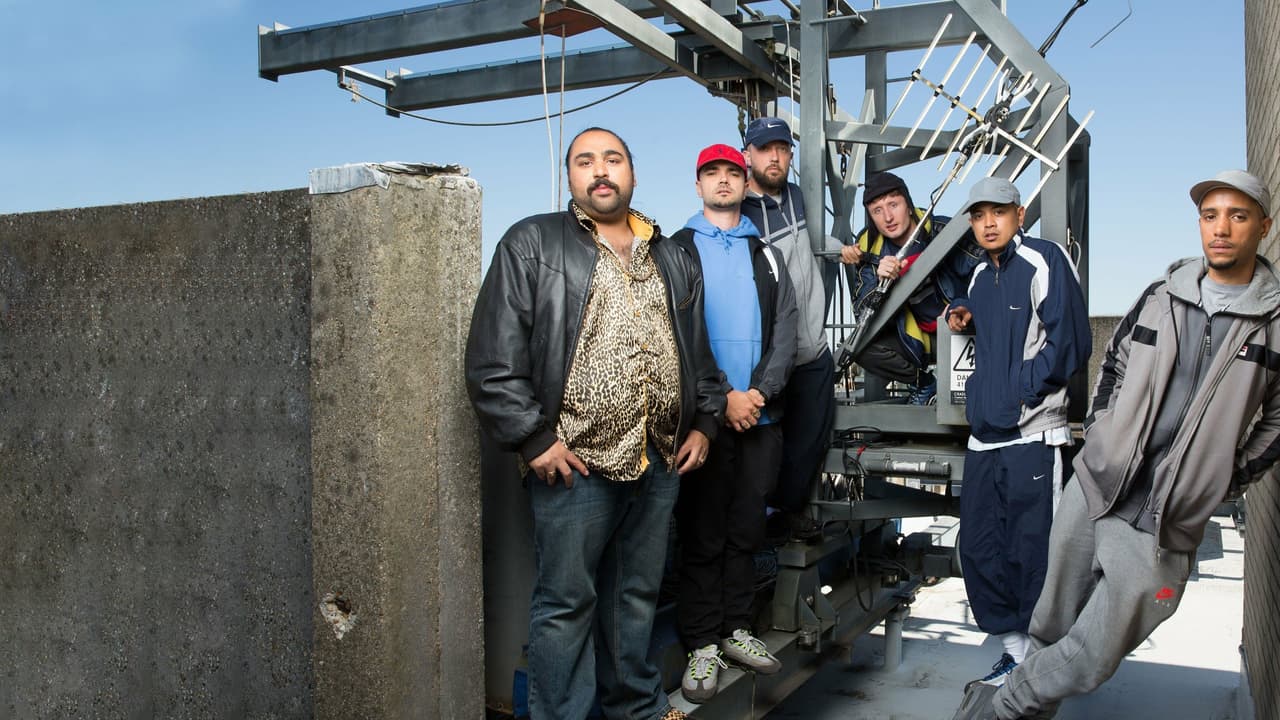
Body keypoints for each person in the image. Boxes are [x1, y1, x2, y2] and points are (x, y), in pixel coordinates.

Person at [954, 169, 1280, 720]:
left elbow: (1276, 422)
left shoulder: (1272, 323)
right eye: (1210, 216)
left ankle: (1001, 706)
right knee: (1049, 622)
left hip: (1166, 514)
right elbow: (1113, 364)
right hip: (1100, 482)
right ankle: (1021, 705)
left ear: (1263, 227)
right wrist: (1102, 434)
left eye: (1237, 217)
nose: (1221, 229)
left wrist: (1224, 478)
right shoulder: (1161, 296)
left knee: (1094, 654)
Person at [464, 127, 725, 720]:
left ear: (632, 173)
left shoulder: (671, 256)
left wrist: (706, 423)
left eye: (613, 159)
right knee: (565, 605)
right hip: (573, 464)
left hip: (658, 458)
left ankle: (636, 707)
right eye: (585, 161)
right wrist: (533, 439)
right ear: (570, 177)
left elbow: (698, 354)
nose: (600, 170)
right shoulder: (532, 242)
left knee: (635, 597)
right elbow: (491, 359)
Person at [943, 177, 1091, 700]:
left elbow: (1071, 342)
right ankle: (1013, 650)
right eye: (979, 214)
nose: (988, 223)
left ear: (1019, 214)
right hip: (985, 437)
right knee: (981, 547)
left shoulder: (1043, 259)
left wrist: (1021, 391)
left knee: (1033, 551)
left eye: (999, 212)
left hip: (1033, 433)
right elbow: (986, 314)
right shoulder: (979, 274)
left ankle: (1038, 656)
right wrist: (962, 308)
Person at [669, 144, 799, 702]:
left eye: (732, 173)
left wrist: (759, 393)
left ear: (746, 184)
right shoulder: (676, 251)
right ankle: (701, 642)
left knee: (746, 529)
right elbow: (678, 335)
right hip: (704, 419)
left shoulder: (765, 253)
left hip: (760, 417)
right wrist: (724, 398)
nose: (723, 181)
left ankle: (735, 628)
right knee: (702, 531)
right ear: (698, 184)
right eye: (712, 173)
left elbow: (787, 330)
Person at [740, 116, 859, 541]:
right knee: (765, 444)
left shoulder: (796, 196)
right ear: (748, 155)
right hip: (772, 355)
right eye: (765, 149)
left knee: (809, 439)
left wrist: (840, 249)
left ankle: (787, 515)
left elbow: (811, 241)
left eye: (782, 149)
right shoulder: (739, 210)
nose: (775, 157)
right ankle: (757, 526)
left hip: (813, 347)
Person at [853, 171, 982, 404]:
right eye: (877, 211)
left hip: (962, 327)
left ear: (909, 206)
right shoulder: (871, 252)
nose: (888, 217)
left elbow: (988, 271)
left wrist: (963, 305)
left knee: (970, 399)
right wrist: (881, 285)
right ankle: (924, 384)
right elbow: (861, 314)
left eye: (894, 205)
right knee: (858, 346)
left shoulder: (943, 231)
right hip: (916, 339)